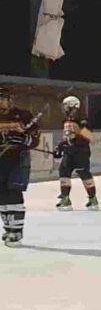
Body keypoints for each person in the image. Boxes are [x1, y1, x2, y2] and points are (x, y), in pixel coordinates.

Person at [0, 85, 40, 246]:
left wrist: (23, 140)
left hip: (18, 159)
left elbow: (35, 137)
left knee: (13, 192)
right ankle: (8, 228)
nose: (2, 101)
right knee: (1, 194)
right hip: (1, 159)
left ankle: (16, 231)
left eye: (4, 98)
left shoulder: (23, 115)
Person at [55, 95, 99, 209]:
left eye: (66, 107)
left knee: (84, 174)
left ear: (73, 107)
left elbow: (87, 135)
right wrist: (60, 147)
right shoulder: (66, 120)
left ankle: (92, 198)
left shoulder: (83, 119)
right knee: (63, 172)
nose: (64, 109)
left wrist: (73, 142)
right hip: (69, 153)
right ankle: (65, 198)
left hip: (81, 152)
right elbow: (67, 137)